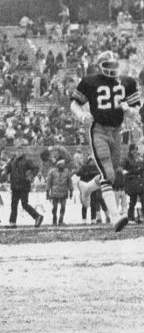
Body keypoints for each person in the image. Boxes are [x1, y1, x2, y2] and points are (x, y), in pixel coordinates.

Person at [70, 50, 141, 232]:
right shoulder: (89, 82)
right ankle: (115, 218)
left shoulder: (127, 82)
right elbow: (74, 103)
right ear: (100, 66)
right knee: (108, 175)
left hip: (117, 131)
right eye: (107, 65)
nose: (112, 69)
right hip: (99, 130)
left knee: (112, 173)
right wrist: (81, 115)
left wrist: (129, 110)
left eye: (114, 65)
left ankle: (86, 187)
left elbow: (137, 110)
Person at [3, 151, 43, 228]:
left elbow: (35, 168)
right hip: (15, 186)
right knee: (14, 205)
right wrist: (5, 171)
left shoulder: (26, 160)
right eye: (17, 150)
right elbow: (7, 169)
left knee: (24, 204)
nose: (18, 152)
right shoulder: (12, 160)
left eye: (20, 150)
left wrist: (30, 176)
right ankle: (12, 222)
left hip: (24, 185)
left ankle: (37, 216)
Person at [46, 158, 74, 226]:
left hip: (64, 192)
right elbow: (48, 182)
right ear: (58, 165)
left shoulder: (67, 171)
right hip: (55, 192)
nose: (63, 165)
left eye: (63, 164)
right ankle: (54, 220)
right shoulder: (52, 172)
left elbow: (69, 182)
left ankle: (61, 220)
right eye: (61, 164)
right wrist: (47, 192)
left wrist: (71, 191)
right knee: (55, 208)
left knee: (63, 207)